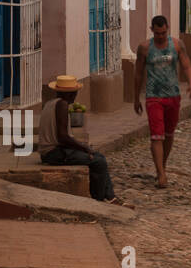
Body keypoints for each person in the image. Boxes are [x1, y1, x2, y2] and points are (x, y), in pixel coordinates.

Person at [38, 74, 127, 205]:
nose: (75, 96)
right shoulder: (62, 105)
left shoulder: (50, 104)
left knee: (97, 156)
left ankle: (109, 196)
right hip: (53, 153)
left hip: (51, 151)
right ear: (70, 94)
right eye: (75, 93)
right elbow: (62, 137)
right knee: (98, 161)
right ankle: (100, 198)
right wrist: (83, 147)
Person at [134, 15, 191, 189]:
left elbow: (186, 65)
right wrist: (135, 98)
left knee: (168, 135)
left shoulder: (176, 45)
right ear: (151, 29)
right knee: (156, 135)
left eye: (163, 32)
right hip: (153, 96)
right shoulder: (145, 48)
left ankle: (163, 165)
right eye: (157, 33)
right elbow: (138, 73)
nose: (161, 36)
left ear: (167, 28)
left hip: (173, 95)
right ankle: (161, 174)